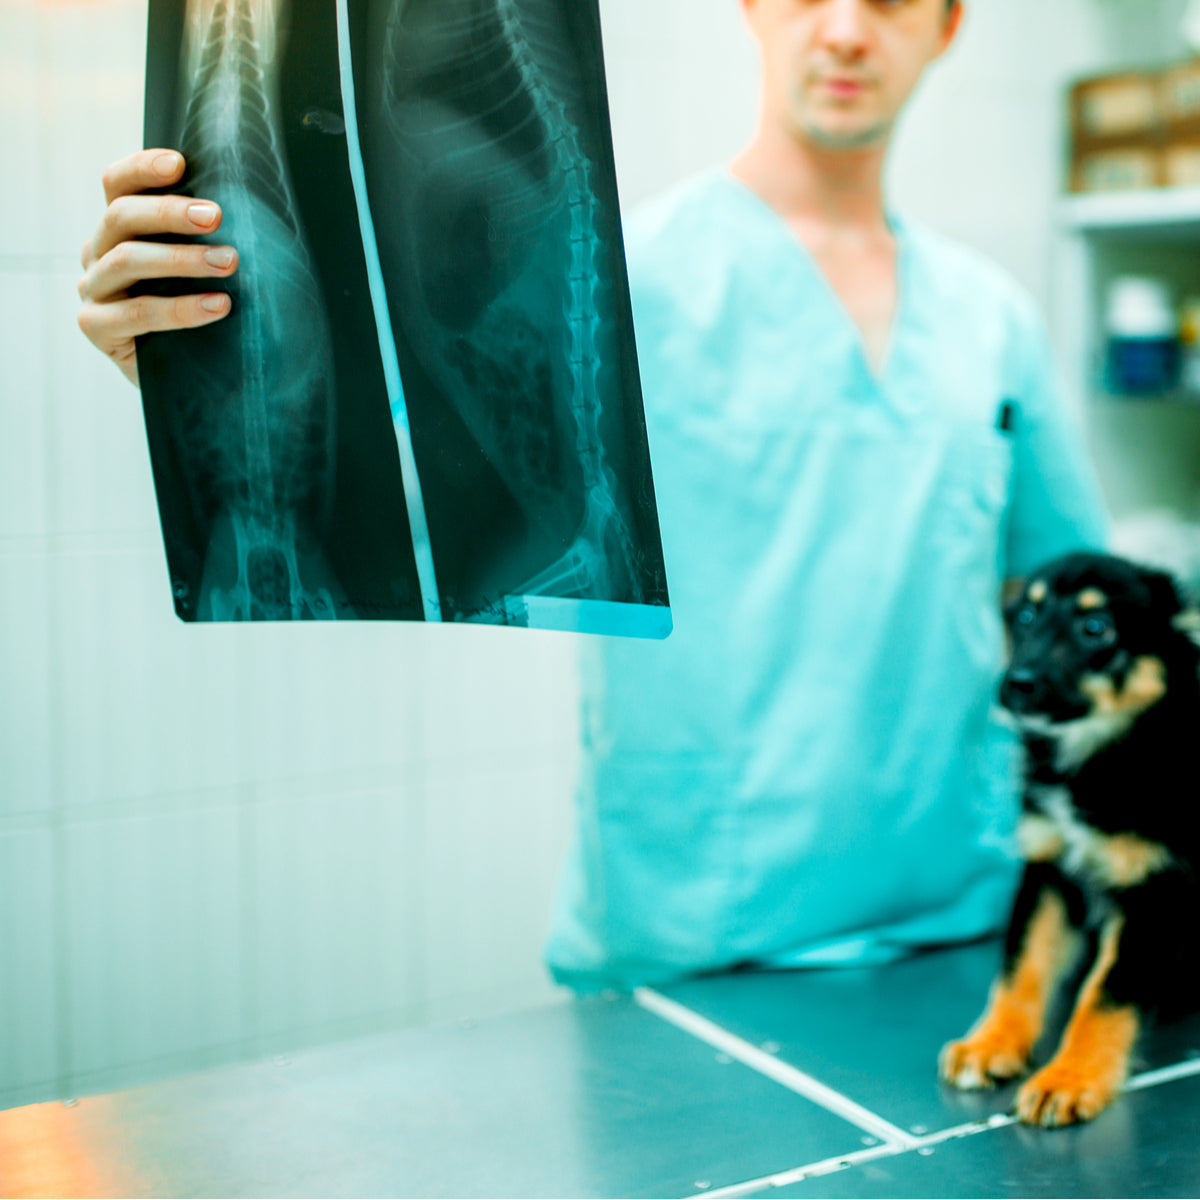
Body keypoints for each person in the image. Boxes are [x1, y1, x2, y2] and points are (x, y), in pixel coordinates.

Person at [77, 0, 1110, 993]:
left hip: (969, 931)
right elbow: (385, 442)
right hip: (702, 944)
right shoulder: (623, 278)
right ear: (751, 5)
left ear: (948, 27)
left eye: (889, 0)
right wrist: (199, 359)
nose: (843, 27)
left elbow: (1073, 597)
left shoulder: (993, 322)